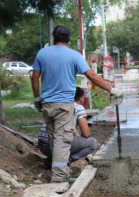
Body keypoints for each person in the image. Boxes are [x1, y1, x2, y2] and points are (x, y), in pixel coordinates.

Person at [32, 24, 123, 183]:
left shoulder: (42, 53)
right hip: (64, 105)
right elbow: (92, 76)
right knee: (62, 140)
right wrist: (111, 89)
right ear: (68, 40)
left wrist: (37, 99)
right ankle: (59, 179)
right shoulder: (74, 55)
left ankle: (60, 170)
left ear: (54, 37)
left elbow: (34, 77)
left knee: (55, 139)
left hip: (47, 104)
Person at [37, 87, 97, 167]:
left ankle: (51, 159)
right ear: (81, 99)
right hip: (57, 147)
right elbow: (86, 134)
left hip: (42, 146)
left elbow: (73, 132)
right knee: (92, 143)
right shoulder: (78, 108)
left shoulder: (60, 104)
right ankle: (66, 161)